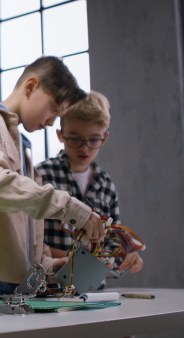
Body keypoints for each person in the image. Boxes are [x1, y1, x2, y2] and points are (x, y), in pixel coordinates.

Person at [0, 56, 107, 300]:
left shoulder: (24, 152)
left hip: (10, 288)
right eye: (53, 108)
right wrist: (70, 207)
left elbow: (23, 233)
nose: (52, 121)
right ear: (31, 86)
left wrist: (51, 266)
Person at [36, 90, 143, 276]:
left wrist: (125, 255)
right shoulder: (40, 176)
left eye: (93, 139)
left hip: (93, 291)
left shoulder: (106, 185)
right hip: (49, 285)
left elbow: (111, 242)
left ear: (105, 138)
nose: (84, 148)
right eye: (75, 139)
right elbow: (28, 241)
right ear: (60, 135)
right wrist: (69, 258)